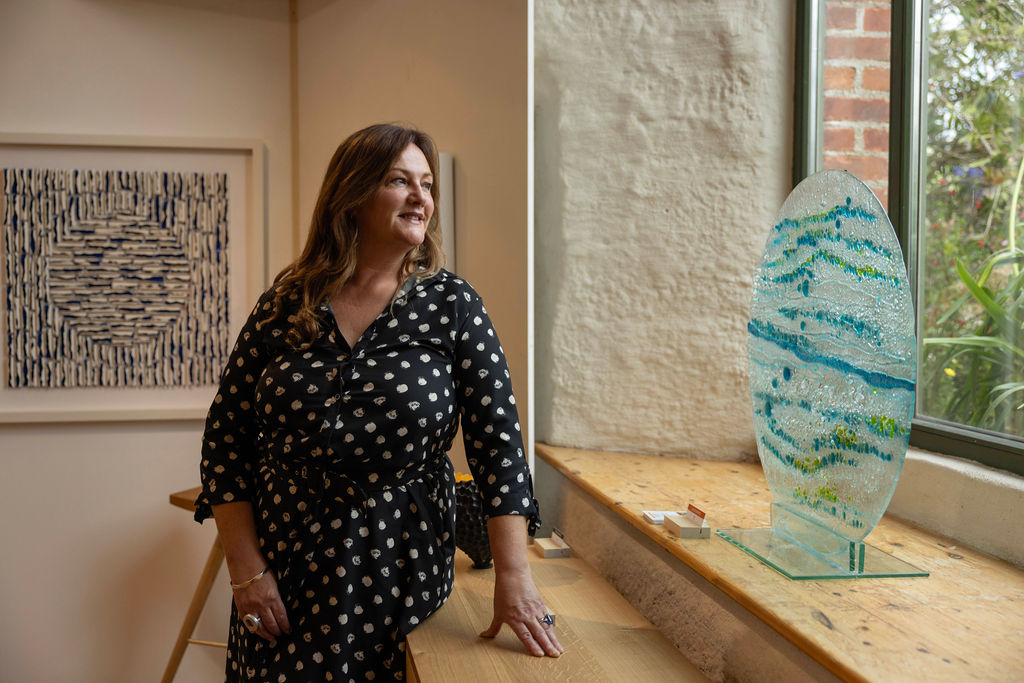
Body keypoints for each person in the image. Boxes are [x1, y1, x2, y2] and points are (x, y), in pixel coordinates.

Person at [195, 123, 562, 681]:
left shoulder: (452, 304)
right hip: (281, 581)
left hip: (400, 576)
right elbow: (227, 440)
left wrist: (514, 576)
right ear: (353, 194)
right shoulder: (285, 302)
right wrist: (246, 572)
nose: (421, 197)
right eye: (399, 181)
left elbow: (499, 446)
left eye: (427, 184)